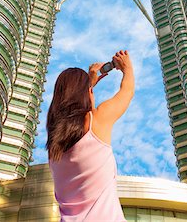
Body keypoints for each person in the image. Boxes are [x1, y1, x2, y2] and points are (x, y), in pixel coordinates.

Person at [46, 50, 134, 222]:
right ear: (87, 94)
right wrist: (127, 67)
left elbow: (70, 118)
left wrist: (88, 85)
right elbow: (127, 91)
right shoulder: (97, 121)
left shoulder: (53, 152)